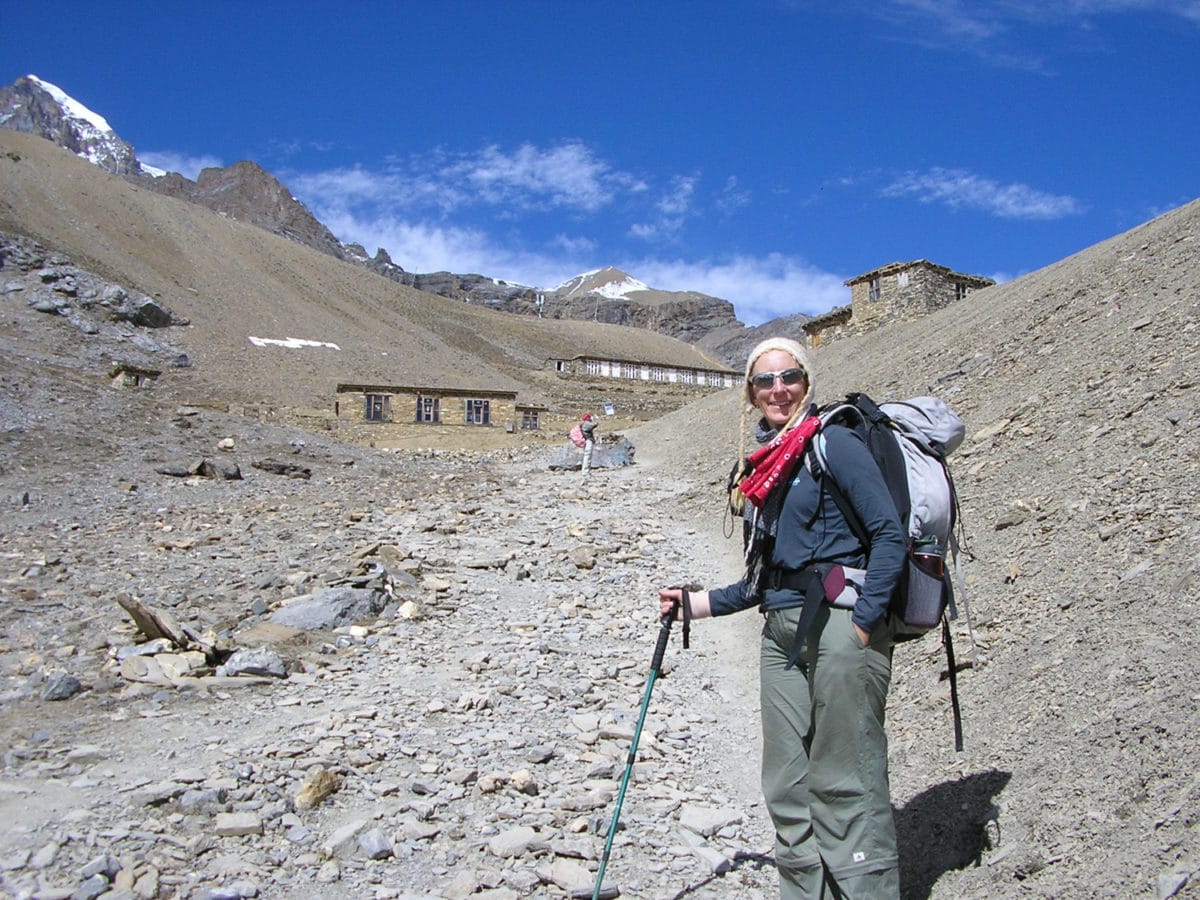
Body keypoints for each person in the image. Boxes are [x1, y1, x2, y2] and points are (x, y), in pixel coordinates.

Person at [658, 337, 906, 899]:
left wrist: (864, 623)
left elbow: (889, 535)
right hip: (782, 634)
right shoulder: (765, 466)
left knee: (846, 774)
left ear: (806, 382)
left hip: (843, 628)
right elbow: (762, 577)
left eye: (789, 376)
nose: (778, 389)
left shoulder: (833, 443)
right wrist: (695, 604)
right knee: (786, 782)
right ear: (750, 392)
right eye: (764, 381)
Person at [580, 412, 598, 478]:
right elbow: (595, 424)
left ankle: (586, 471)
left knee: (587, 456)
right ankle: (585, 472)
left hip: (586, 441)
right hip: (588, 441)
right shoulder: (586, 424)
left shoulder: (584, 424)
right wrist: (595, 419)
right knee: (587, 456)